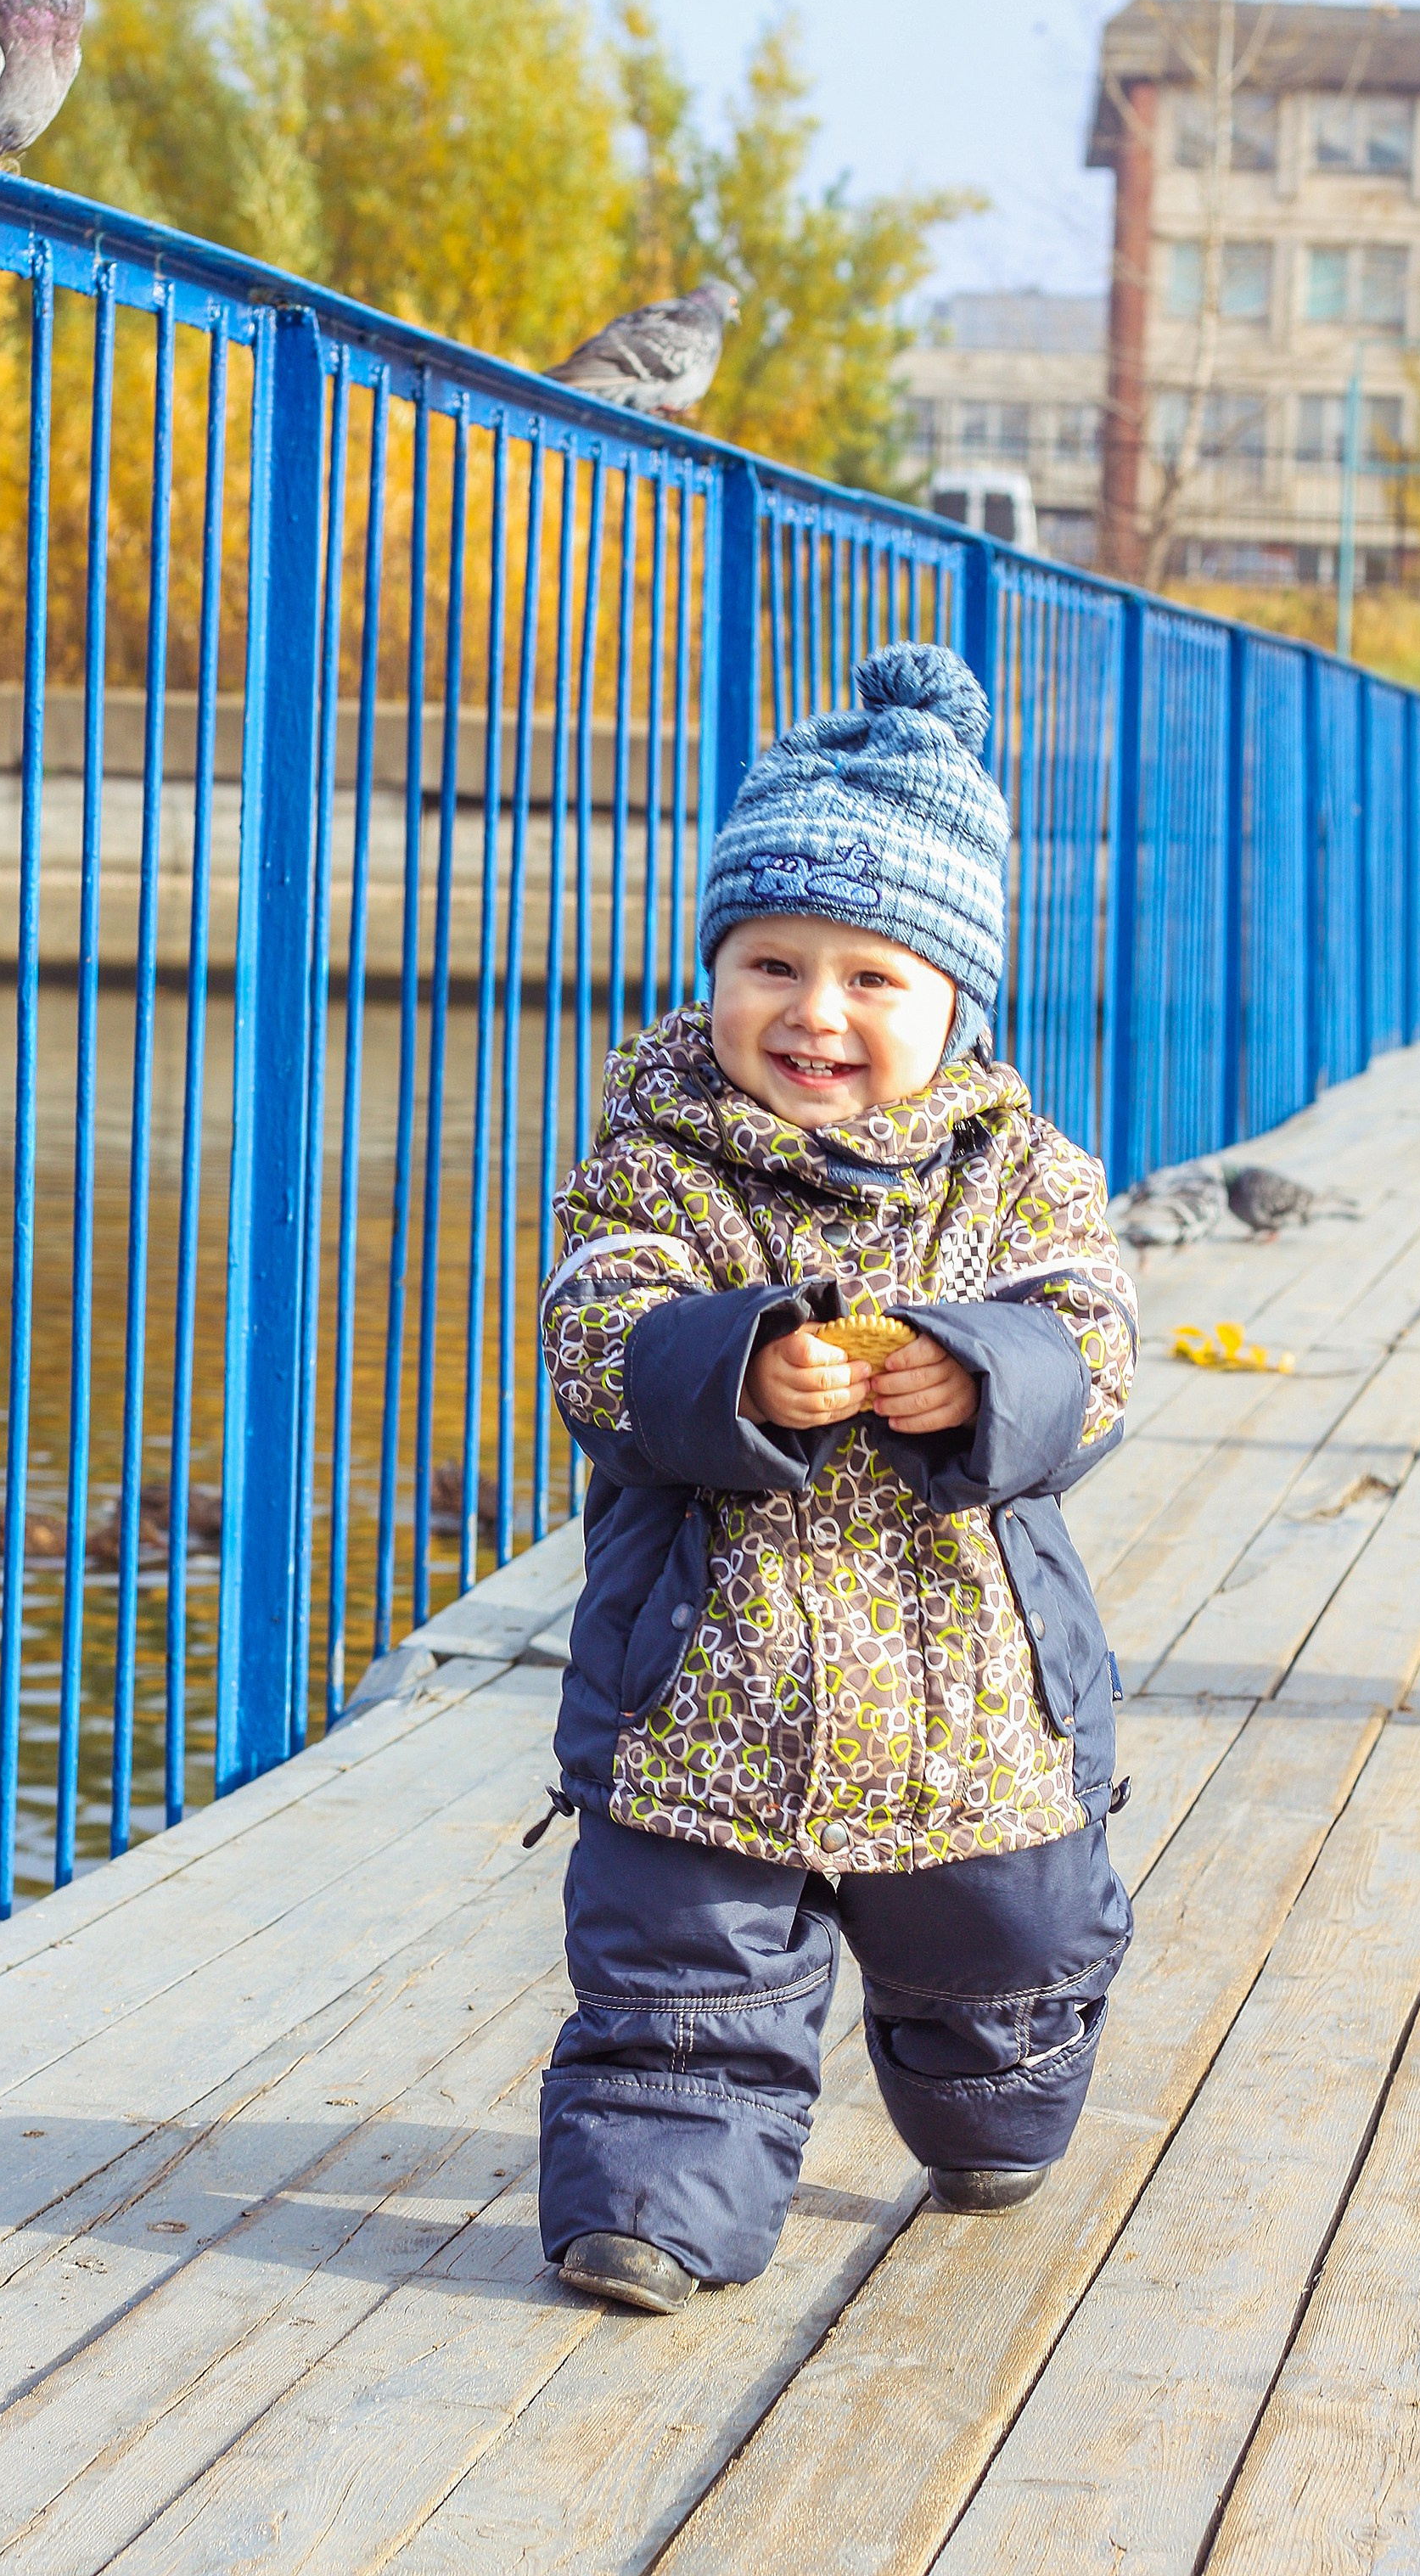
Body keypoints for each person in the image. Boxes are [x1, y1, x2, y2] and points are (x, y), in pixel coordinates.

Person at [535, 639, 1137, 2317]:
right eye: (772, 964)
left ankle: (991, 2107)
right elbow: (595, 1328)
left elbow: (1095, 1342)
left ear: (956, 1008)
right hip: (704, 1687)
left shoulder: (1019, 1173)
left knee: (1007, 1949)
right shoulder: (654, 1159)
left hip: (972, 1696)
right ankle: (655, 2199)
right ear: (715, 973)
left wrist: (984, 1372)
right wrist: (727, 1366)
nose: (813, 1012)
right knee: (680, 1976)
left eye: (873, 977)